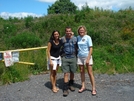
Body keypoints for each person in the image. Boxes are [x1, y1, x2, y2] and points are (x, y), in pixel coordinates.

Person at [77, 25, 97, 96]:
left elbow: (91, 48)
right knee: (82, 72)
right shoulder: (78, 38)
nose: (81, 31)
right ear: (78, 31)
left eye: (82, 30)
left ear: (85, 31)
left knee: (90, 72)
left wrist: (88, 58)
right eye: (80, 30)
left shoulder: (88, 37)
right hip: (80, 57)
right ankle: (83, 86)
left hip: (87, 56)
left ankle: (93, 88)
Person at [60, 27, 77, 97]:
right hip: (65, 57)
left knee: (72, 72)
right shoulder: (62, 39)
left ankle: (71, 84)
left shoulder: (75, 38)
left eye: (69, 31)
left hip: (73, 57)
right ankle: (65, 89)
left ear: (71, 31)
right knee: (66, 73)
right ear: (65, 32)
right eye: (67, 31)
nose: (68, 32)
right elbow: (57, 45)